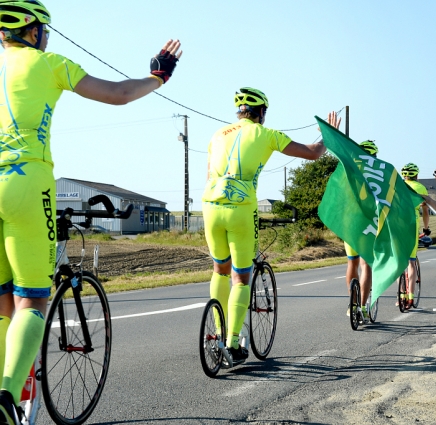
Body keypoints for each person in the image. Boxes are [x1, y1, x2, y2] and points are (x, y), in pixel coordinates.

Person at [0, 1, 182, 422]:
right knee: (31, 300)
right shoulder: (48, 63)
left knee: (3, 302)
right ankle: (7, 400)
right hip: (27, 180)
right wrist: (158, 76)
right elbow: (118, 94)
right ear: (34, 31)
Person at [202, 87, 338, 365]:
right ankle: (233, 343)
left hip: (210, 206)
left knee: (220, 270)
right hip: (240, 209)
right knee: (241, 276)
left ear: (239, 112)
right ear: (261, 112)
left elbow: (209, 174)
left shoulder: (217, 135)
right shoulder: (267, 134)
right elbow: (313, 153)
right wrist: (328, 137)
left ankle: (217, 332)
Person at [345, 140, 379, 319]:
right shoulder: (379, 174)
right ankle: (363, 307)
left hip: (350, 222)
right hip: (369, 223)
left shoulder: (349, 171)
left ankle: (352, 304)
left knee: (352, 262)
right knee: (366, 265)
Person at [399, 163, 429, 309]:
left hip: (397, 224)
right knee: (411, 262)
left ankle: (400, 296)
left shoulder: (397, 186)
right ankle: (410, 297)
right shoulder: (420, 188)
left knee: (400, 262)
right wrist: (426, 228)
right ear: (416, 175)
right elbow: (426, 211)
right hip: (412, 224)